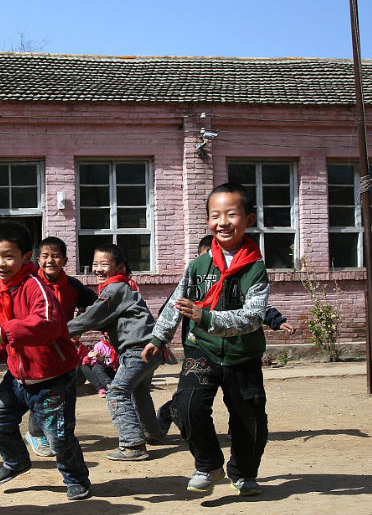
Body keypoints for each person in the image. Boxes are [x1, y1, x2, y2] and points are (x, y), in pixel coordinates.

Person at [143, 183, 270, 496]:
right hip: (201, 351)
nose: (223, 222)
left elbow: (253, 318)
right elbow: (177, 302)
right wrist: (158, 338)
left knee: (249, 420)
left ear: (249, 219)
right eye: (215, 215)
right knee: (187, 406)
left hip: (243, 356)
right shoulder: (198, 266)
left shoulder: (256, 269)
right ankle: (208, 464)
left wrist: (207, 317)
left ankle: (243, 473)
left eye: (232, 214)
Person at [0, 222, 92, 501]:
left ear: (26, 256)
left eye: (8, 256)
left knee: (59, 437)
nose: (0, 263)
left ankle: (76, 479)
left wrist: (9, 333)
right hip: (17, 377)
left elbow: (49, 322)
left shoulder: (36, 286)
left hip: (53, 378)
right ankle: (16, 461)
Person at [156, 234, 295, 436]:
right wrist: (160, 337)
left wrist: (277, 321)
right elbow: (170, 309)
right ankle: (170, 413)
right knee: (192, 398)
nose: (214, 265)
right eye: (209, 259)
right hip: (199, 347)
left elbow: (255, 307)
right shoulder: (194, 278)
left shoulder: (240, 275)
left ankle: (235, 428)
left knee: (236, 397)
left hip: (235, 349)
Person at [66, 243, 165, 461]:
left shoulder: (115, 289)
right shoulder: (124, 287)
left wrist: (58, 331)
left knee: (117, 392)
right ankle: (152, 433)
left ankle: (132, 444)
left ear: (120, 267)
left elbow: (93, 316)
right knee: (138, 391)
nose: (98, 269)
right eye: (95, 264)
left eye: (105, 264)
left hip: (137, 350)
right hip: (151, 349)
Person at [25, 236, 97, 457]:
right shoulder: (30, 284)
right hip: (36, 349)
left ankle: (56, 432)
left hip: (62, 350)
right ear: (38, 260)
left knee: (61, 392)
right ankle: (35, 434)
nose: (50, 260)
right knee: (38, 390)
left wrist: (77, 328)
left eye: (55, 256)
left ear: (65, 260)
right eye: (45, 256)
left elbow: (93, 303)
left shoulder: (73, 286)